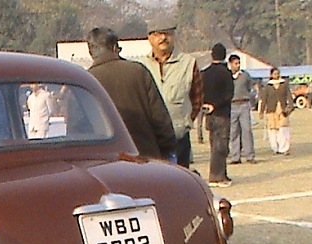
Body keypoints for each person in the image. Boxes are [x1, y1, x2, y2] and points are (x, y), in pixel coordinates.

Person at [86, 27, 176, 160]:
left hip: (104, 163)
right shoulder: (138, 71)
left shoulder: (87, 81)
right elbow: (160, 120)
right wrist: (166, 150)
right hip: (145, 158)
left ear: (90, 52)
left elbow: (77, 128)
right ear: (115, 47)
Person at [136, 16, 203, 168]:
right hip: (149, 141)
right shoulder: (140, 66)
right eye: (158, 34)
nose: (163, 38)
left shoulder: (188, 63)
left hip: (178, 139)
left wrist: (185, 122)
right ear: (149, 38)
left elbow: (197, 99)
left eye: (167, 33)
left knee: (180, 184)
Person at [201, 43, 234, 187]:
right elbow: (228, 94)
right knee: (221, 146)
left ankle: (220, 173)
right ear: (224, 55)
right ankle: (218, 176)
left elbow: (199, 92)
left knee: (213, 144)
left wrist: (206, 104)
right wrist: (216, 104)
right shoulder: (225, 73)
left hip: (208, 114)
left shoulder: (205, 73)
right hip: (221, 113)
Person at [258, 67, 294, 155]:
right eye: (274, 74)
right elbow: (264, 99)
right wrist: (261, 111)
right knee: (273, 129)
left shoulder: (284, 84)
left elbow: (289, 96)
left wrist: (291, 106)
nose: (276, 75)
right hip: (271, 110)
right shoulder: (268, 86)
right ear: (271, 75)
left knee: (283, 128)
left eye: (277, 73)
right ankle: (275, 147)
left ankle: (284, 148)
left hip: (282, 109)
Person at [227, 54, 255, 164]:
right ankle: (235, 156)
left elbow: (249, 88)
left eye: (239, 63)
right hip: (232, 105)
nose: (237, 66)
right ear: (230, 64)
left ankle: (249, 155)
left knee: (247, 130)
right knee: (233, 132)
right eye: (235, 63)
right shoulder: (227, 76)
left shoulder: (245, 76)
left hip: (244, 104)